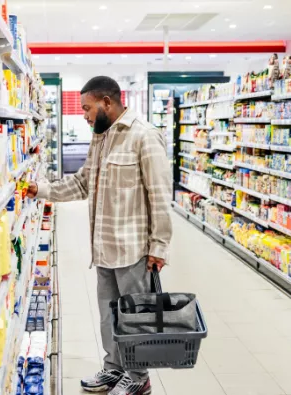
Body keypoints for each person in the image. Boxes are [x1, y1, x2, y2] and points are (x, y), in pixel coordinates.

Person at [26, 76, 173, 395]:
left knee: (134, 316)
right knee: (109, 315)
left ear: (107, 102)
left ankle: (138, 376)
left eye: (87, 108)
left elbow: (160, 195)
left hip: (133, 249)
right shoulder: (101, 138)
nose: (84, 114)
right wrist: (42, 190)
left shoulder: (144, 136)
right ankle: (114, 369)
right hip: (103, 248)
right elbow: (81, 183)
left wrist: (159, 246)